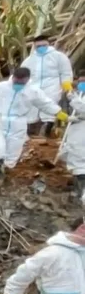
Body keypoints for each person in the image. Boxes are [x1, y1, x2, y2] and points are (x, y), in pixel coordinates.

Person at [0, 67, 63, 187]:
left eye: (22, 82)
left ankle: (5, 170)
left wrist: (60, 114)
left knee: (12, 154)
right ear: (13, 77)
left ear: (27, 80)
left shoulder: (33, 91)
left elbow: (46, 104)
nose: (18, 84)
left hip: (18, 124)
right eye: (16, 81)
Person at [21, 33, 74, 137]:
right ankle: (31, 131)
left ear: (48, 44)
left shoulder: (58, 57)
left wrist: (66, 84)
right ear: (35, 46)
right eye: (38, 46)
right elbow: (23, 73)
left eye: (44, 45)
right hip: (34, 86)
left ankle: (46, 130)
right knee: (32, 108)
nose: (41, 48)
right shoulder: (30, 60)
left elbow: (65, 72)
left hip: (52, 86)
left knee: (49, 104)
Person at [59, 74, 85, 203]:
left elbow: (82, 108)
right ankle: (79, 189)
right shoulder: (81, 95)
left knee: (79, 160)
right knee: (75, 158)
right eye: (80, 82)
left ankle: (81, 192)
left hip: (81, 134)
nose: (81, 84)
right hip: (77, 131)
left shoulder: (77, 97)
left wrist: (71, 95)